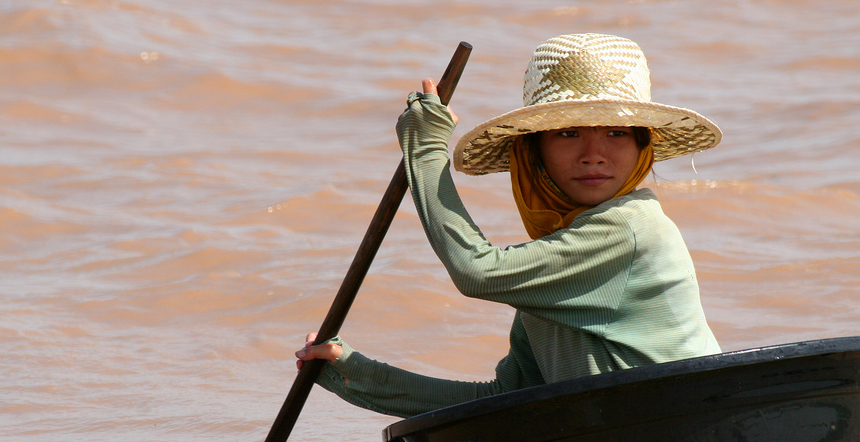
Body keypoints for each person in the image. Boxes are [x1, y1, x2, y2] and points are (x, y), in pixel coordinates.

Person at [296, 33, 722, 418]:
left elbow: (476, 270)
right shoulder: (561, 263)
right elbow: (507, 398)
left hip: (687, 423)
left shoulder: (629, 228)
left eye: (616, 132)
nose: (594, 153)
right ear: (531, 152)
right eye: (568, 134)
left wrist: (426, 150)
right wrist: (355, 374)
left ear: (642, 147)